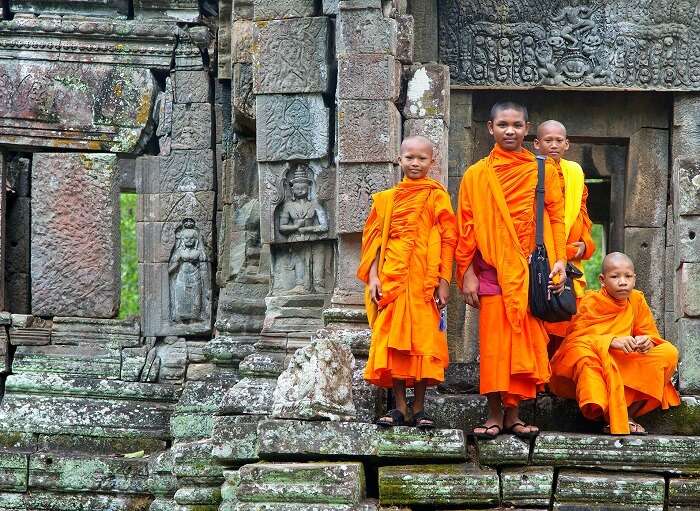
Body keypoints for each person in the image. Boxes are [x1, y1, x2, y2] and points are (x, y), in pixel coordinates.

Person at [455, 101, 567, 439]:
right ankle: (492, 414)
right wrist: (466, 273)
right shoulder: (477, 174)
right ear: (490, 128)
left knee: (522, 343)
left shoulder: (542, 169)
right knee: (493, 346)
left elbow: (558, 218)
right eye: (503, 124)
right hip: (490, 270)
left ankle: (514, 415)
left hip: (530, 272)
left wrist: (560, 259)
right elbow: (466, 226)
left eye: (517, 125)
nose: (510, 131)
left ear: (527, 128)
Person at [358, 135, 458, 429]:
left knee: (423, 343)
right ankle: (400, 407)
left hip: (424, 284)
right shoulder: (386, 200)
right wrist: (374, 277)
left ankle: (420, 407)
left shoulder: (436, 195)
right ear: (398, 160)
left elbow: (449, 239)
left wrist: (444, 280)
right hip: (393, 282)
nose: (415, 163)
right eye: (409, 158)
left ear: (432, 161)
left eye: (422, 159)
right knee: (394, 344)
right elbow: (373, 243)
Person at [549, 252, 680, 435]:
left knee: (668, 352)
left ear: (635, 278)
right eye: (615, 276)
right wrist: (610, 341)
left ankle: (625, 415)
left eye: (627, 276)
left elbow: (649, 333)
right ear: (602, 279)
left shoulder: (636, 300)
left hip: (624, 361)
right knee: (582, 356)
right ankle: (614, 416)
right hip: (600, 361)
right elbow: (575, 341)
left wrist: (646, 341)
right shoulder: (590, 302)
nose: (622, 282)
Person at [533, 120, 596, 347]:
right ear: (536, 143)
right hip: (539, 257)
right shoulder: (530, 171)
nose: (554, 145)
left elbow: (583, 215)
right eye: (548, 140)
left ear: (567, 144)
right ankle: (540, 381)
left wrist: (585, 245)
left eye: (559, 140)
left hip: (570, 260)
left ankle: (557, 379)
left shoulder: (575, 173)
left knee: (566, 321)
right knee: (538, 321)